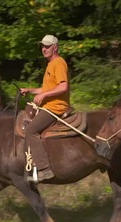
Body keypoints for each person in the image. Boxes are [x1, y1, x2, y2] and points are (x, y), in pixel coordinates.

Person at [20, 35, 70, 181]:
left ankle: (44, 169)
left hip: (55, 107)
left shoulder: (59, 63)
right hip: (48, 105)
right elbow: (47, 88)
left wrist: (43, 96)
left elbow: (63, 86)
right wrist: (29, 90)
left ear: (55, 47)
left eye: (47, 46)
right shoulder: (50, 64)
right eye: (42, 46)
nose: (44, 49)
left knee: (31, 130)